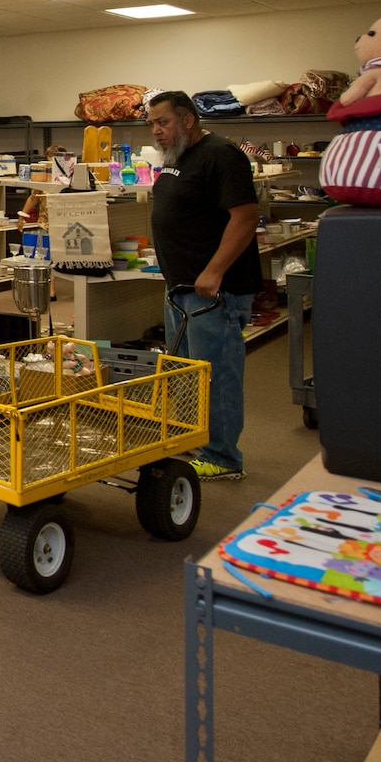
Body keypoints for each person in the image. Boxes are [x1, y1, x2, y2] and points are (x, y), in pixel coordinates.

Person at [145, 91, 260, 481]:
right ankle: (199, 443)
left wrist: (213, 271)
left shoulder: (221, 155)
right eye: (152, 125)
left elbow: (245, 217)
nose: (157, 131)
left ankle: (224, 457)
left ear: (188, 120)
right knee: (189, 374)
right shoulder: (177, 158)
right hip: (181, 287)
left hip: (214, 291)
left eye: (163, 122)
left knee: (216, 373)